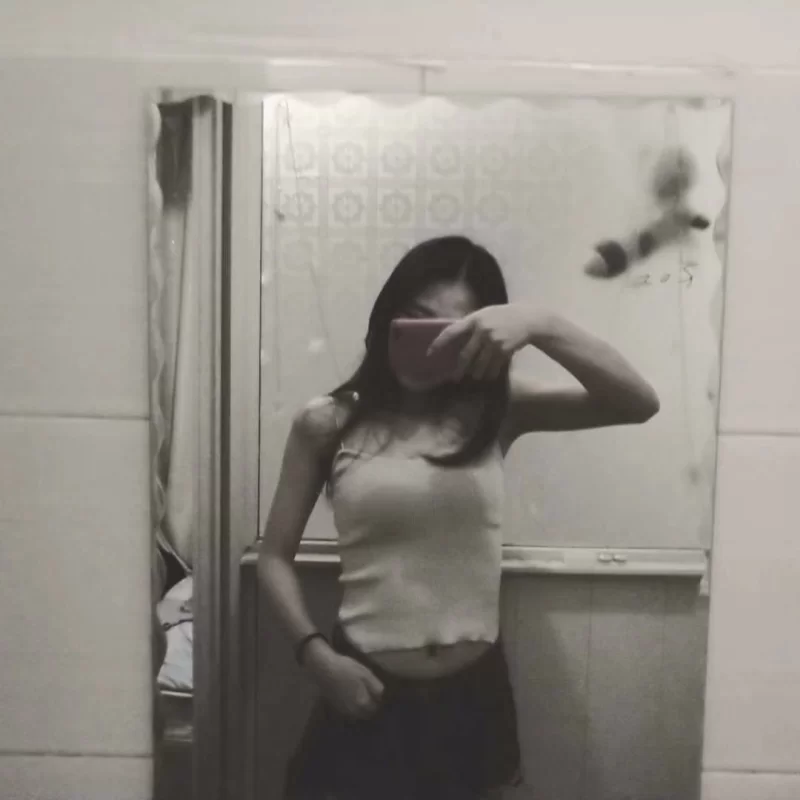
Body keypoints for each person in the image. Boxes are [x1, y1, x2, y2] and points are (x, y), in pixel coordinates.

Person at [258, 235, 660, 800]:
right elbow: (274, 557)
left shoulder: (496, 411)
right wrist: (316, 657)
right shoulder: (327, 423)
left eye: (455, 330)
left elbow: (637, 402)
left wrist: (541, 324)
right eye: (417, 319)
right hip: (361, 688)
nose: (433, 341)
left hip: (472, 700)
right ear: (388, 317)